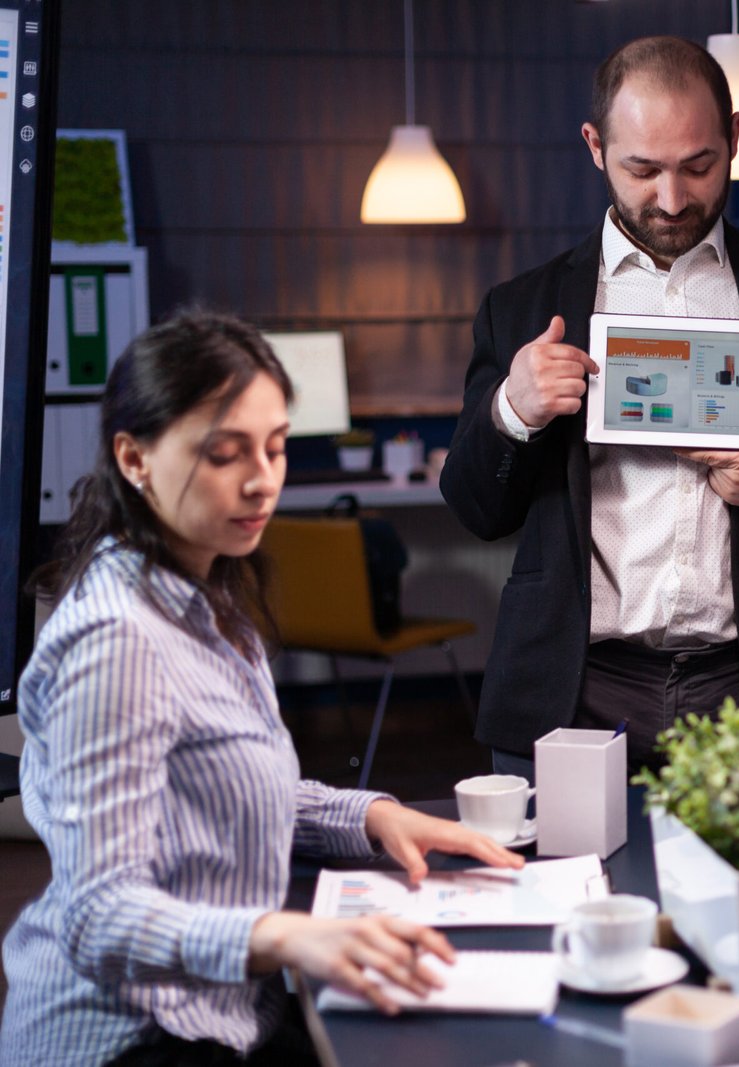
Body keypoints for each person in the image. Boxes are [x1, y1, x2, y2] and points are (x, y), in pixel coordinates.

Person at [0, 311, 524, 1067]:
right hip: (130, 1035)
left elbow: (226, 789)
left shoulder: (203, 589)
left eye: (276, 447)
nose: (262, 480)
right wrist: (289, 933)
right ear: (134, 457)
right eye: (224, 453)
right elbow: (100, 918)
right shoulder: (115, 640)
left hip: (231, 1005)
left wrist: (375, 813)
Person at [441, 36, 739, 776]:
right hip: (573, 683)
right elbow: (474, 507)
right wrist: (511, 409)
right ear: (595, 147)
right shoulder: (520, 307)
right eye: (643, 170)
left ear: (735, 139)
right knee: (563, 891)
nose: (673, 199)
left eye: (699, 166)